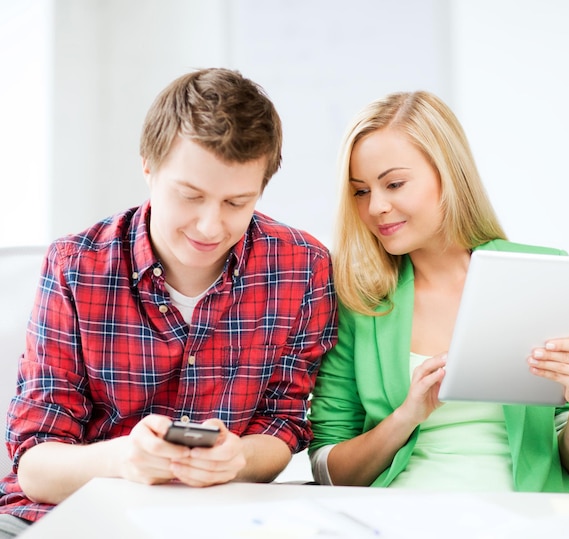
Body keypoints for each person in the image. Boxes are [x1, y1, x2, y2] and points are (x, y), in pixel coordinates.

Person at [0, 67, 337, 535]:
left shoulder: (302, 268)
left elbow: (283, 422)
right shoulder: (76, 266)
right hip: (68, 512)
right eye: (189, 195)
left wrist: (237, 459)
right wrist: (124, 458)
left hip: (224, 517)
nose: (209, 227)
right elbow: (35, 466)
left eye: (237, 203)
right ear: (148, 167)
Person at [308, 90, 569, 492]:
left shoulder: (539, 277)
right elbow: (330, 471)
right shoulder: (359, 300)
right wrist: (406, 417)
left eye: (394, 184)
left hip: (530, 518)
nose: (375, 206)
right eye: (361, 191)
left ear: (449, 174)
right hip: (401, 516)